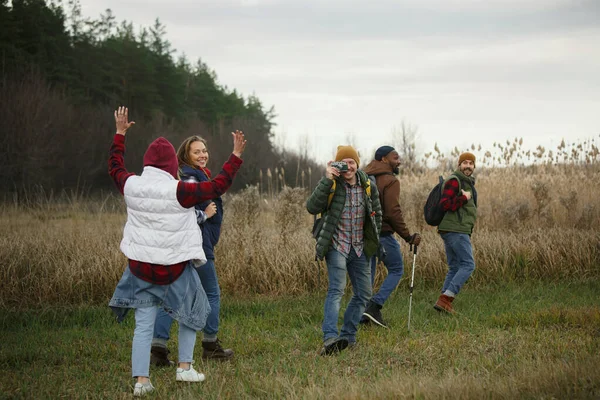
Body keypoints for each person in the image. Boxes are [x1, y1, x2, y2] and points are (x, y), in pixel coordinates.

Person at [107, 107, 246, 396]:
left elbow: (115, 166)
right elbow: (218, 185)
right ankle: (185, 368)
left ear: (147, 163)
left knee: (142, 326)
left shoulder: (132, 185)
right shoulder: (180, 190)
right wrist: (235, 157)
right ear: (173, 164)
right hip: (174, 270)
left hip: (141, 269)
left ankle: (141, 382)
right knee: (193, 312)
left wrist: (120, 134)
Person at [151, 136, 234, 366]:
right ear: (186, 155)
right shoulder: (189, 177)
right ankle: (210, 344)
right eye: (197, 152)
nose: (203, 155)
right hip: (196, 247)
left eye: (205, 151)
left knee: (172, 295)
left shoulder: (195, 175)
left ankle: (158, 347)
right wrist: (204, 214)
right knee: (211, 294)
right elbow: (184, 213)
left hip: (186, 246)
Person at [306, 145, 382, 355]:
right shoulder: (332, 184)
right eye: (343, 162)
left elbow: (377, 213)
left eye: (351, 162)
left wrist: (372, 242)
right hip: (337, 246)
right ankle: (330, 338)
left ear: (357, 164)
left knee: (364, 294)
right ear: (337, 165)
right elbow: (311, 207)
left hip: (359, 248)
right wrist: (327, 179)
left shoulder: (368, 186)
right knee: (336, 291)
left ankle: (348, 336)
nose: (348, 166)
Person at [361, 146, 421, 328]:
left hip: (363, 234)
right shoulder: (390, 181)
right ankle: (374, 305)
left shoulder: (362, 176)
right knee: (396, 268)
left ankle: (363, 315)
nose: (399, 161)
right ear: (383, 159)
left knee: (367, 275)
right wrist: (408, 236)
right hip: (383, 234)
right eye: (395, 157)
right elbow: (393, 212)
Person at [434, 152, 478, 314]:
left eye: (471, 163)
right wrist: (464, 199)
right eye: (464, 163)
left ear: (474, 166)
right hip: (455, 230)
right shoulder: (455, 181)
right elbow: (444, 204)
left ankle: (442, 302)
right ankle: (447, 299)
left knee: (454, 267)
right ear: (459, 165)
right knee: (468, 264)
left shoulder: (466, 183)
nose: (468, 166)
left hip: (452, 229)